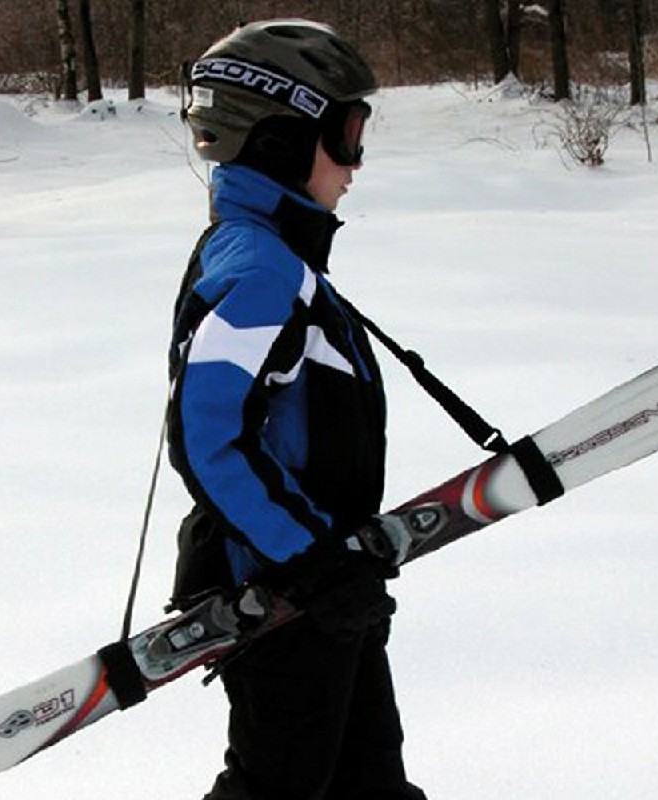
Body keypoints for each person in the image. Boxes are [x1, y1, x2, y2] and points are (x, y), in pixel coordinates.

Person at [166, 19, 426, 800]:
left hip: (325, 590)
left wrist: (335, 567)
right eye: (344, 136)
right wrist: (313, 562)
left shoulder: (280, 261)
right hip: (283, 596)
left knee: (368, 783)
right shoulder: (260, 273)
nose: (354, 165)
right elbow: (209, 440)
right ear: (277, 139)